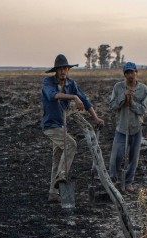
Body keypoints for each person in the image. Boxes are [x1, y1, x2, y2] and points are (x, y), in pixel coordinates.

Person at [41, 54, 105, 202]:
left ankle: (53, 193)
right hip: (50, 125)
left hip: (62, 125)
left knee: (58, 158)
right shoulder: (48, 82)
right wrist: (73, 97)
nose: (63, 71)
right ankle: (62, 175)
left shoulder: (71, 84)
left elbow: (85, 101)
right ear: (56, 71)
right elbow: (52, 96)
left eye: (65, 68)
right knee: (71, 145)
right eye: (60, 69)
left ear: (68, 70)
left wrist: (96, 118)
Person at [107, 61, 147, 194]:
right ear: (124, 75)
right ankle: (114, 180)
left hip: (136, 127)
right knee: (116, 156)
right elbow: (112, 105)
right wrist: (123, 97)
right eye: (127, 73)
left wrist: (132, 103)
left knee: (133, 158)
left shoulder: (143, 89)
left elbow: (144, 109)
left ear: (136, 73)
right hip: (121, 128)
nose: (130, 75)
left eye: (132, 72)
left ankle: (128, 182)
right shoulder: (118, 87)